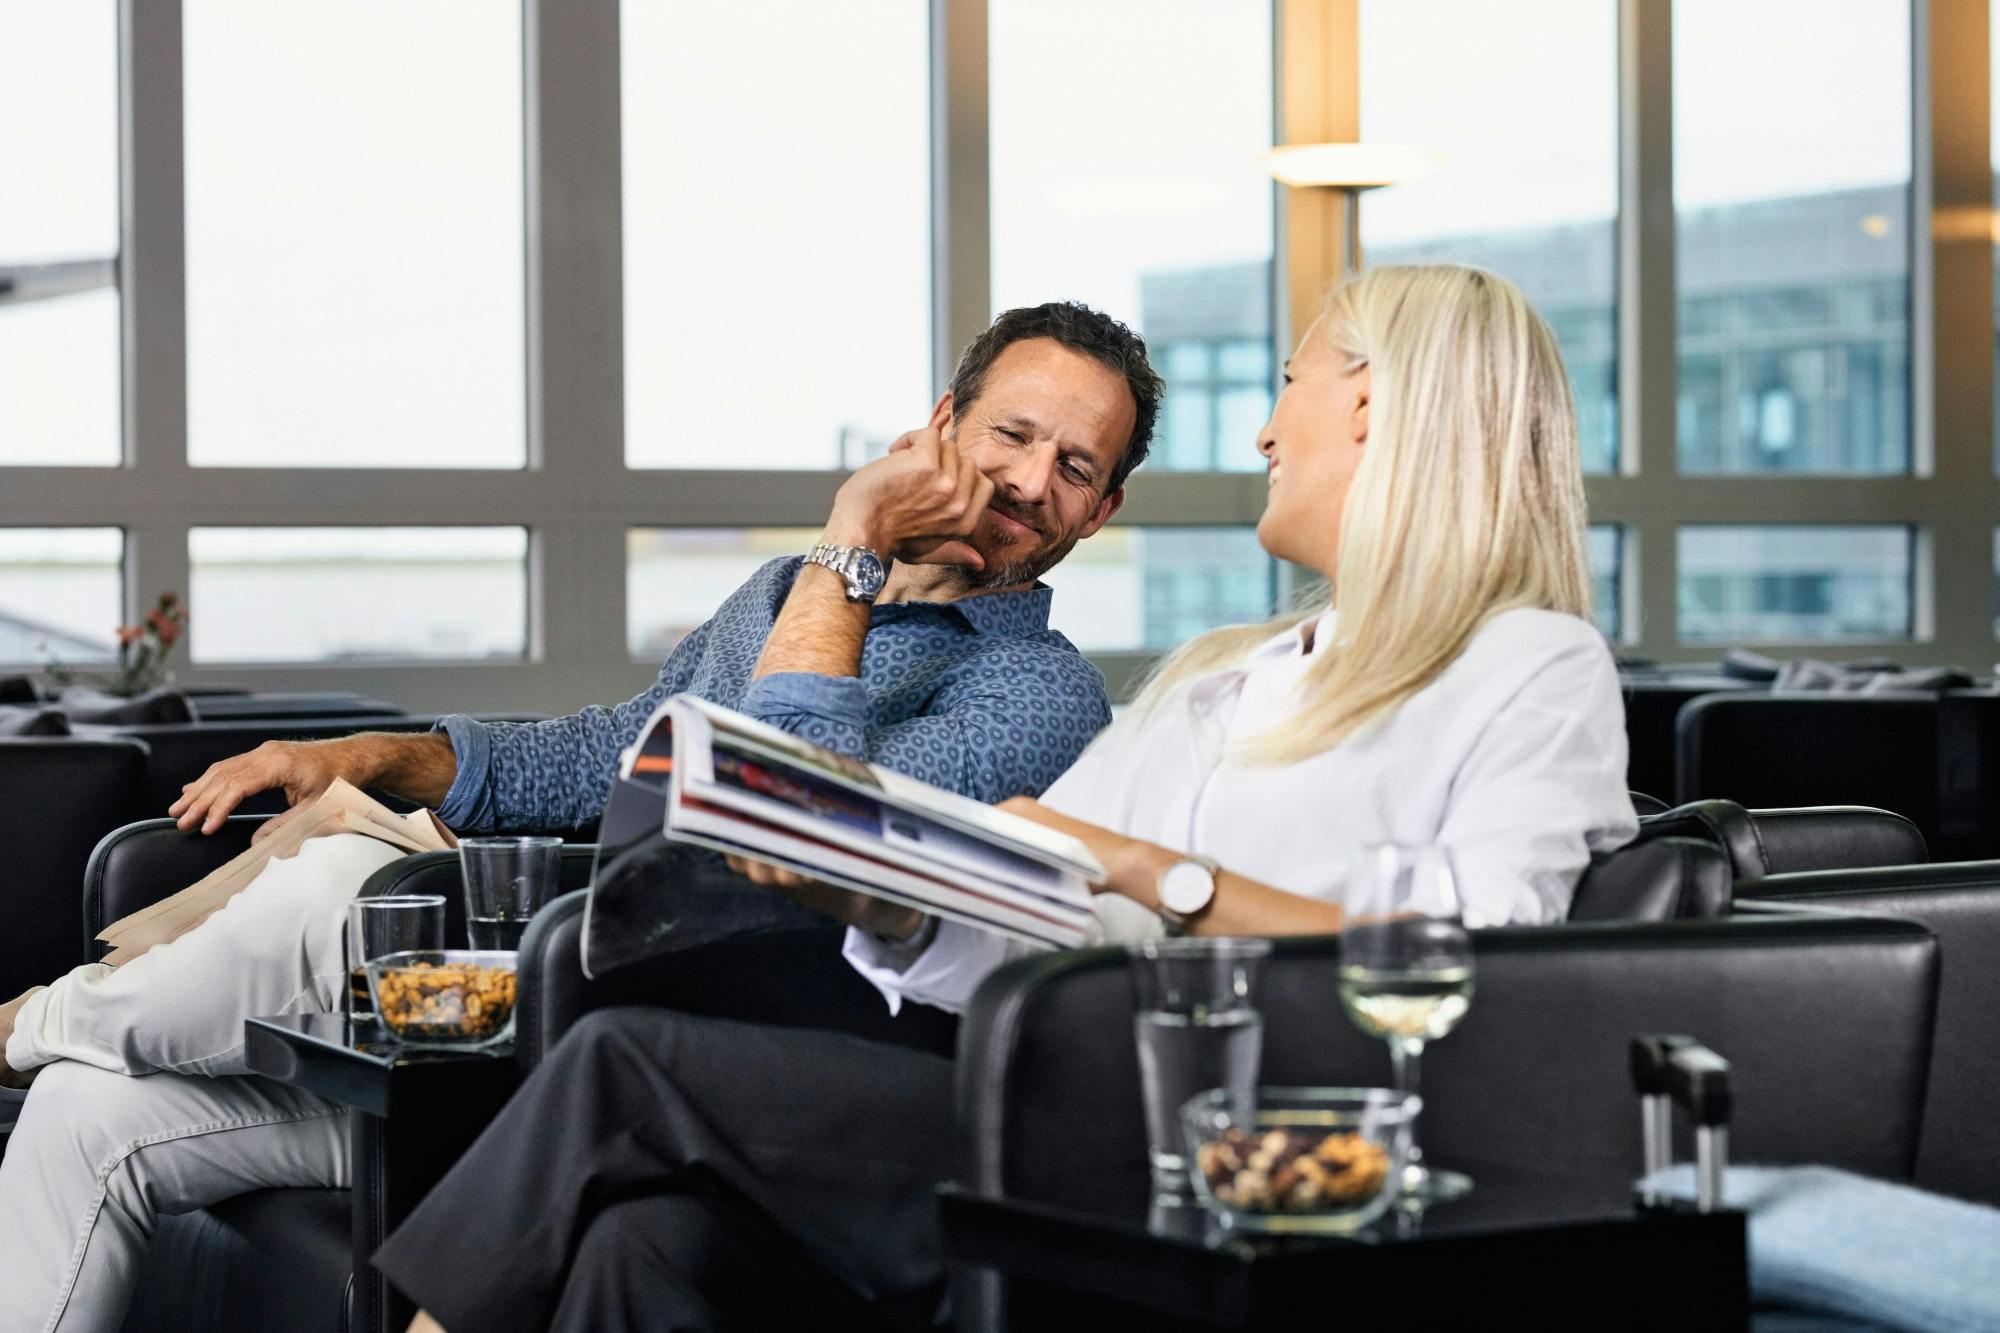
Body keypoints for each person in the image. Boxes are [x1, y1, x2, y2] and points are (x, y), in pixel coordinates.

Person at [370, 263, 1638, 1333]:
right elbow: (1031, 907)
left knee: (615, 1067)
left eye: (1289, 387)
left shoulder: (1530, 664)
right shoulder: (1219, 682)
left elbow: (1492, 975)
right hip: (1089, 1107)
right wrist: (886, 895)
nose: (1263, 432)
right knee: (645, 1249)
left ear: (1368, 404)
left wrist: (1153, 875)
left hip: (1233, 1149)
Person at [0, 300, 1165, 1333]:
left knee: (327, 895)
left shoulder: (1036, 689)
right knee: (83, 1110)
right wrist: (378, 754)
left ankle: (24, 1021)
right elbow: (612, 749)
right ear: (943, 420)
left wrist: (851, 549)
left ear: (1099, 511)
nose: (1025, 480)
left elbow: (797, 831)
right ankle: (47, 1041)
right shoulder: (779, 594)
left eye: (1072, 465)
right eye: (1012, 433)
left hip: (674, 1056)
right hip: (534, 1015)